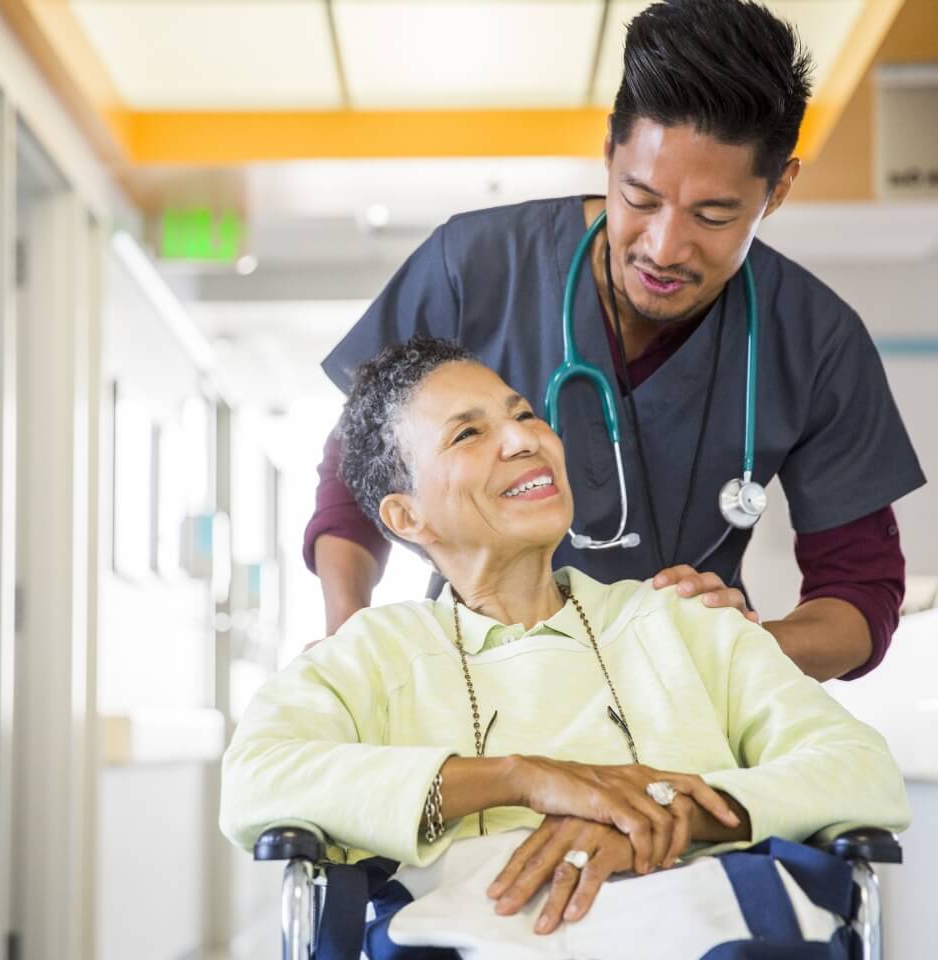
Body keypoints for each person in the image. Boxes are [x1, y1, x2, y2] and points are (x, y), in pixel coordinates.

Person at [304, 0, 925, 682]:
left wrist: (734, 653)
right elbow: (357, 465)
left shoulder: (816, 340)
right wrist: (348, 634)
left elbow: (863, 594)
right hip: (478, 683)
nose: (664, 248)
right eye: (642, 198)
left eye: (713, 216)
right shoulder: (474, 268)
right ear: (609, 152)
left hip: (690, 710)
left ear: (777, 190)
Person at [221, 338, 909, 952]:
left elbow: (860, 767)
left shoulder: (683, 622)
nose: (524, 441)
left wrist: (674, 813)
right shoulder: (377, 651)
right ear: (408, 515)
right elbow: (255, 777)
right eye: (468, 434)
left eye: (523, 415)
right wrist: (528, 777)